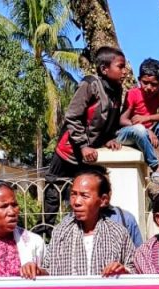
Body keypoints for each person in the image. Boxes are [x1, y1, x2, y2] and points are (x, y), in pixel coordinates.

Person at [44, 46, 125, 220]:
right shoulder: (90, 84)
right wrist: (82, 145)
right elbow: (72, 116)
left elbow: (111, 120)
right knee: (53, 194)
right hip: (68, 151)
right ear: (104, 69)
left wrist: (109, 139)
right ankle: (45, 232)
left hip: (89, 157)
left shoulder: (117, 90)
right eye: (120, 66)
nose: (124, 71)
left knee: (86, 196)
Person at [43, 169, 135, 278]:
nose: (76, 202)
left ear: (103, 200)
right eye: (73, 194)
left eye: (84, 196)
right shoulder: (61, 232)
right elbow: (48, 270)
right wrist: (38, 272)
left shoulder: (117, 233)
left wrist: (123, 271)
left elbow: (134, 270)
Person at [117, 58, 159, 176]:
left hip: (146, 130)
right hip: (129, 131)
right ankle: (155, 166)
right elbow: (122, 120)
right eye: (145, 82)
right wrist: (147, 130)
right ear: (139, 80)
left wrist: (146, 119)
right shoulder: (133, 93)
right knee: (140, 129)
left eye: (154, 84)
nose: (148, 87)